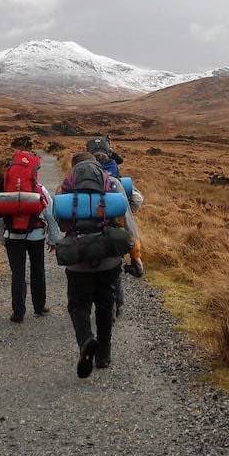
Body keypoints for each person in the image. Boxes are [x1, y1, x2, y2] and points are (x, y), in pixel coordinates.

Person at [57, 152, 143, 378]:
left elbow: (59, 220)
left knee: (78, 305)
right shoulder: (113, 183)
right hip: (109, 257)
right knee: (106, 303)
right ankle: (104, 355)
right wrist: (135, 256)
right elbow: (128, 223)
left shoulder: (66, 185)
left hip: (78, 259)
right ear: (97, 167)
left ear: (74, 168)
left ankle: (86, 340)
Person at [0, 159, 61, 323]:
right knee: (38, 270)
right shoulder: (40, 189)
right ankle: (39, 306)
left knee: (17, 273)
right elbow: (51, 215)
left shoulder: (4, 190)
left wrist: (2, 238)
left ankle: (18, 312)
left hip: (12, 237)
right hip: (36, 236)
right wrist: (53, 239)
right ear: (33, 173)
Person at [92, 151, 144, 317]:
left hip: (92, 231)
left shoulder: (85, 182)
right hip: (116, 231)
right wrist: (135, 252)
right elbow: (136, 200)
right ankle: (117, 304)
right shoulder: (116, 181)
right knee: (115, 269)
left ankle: (96, 302)